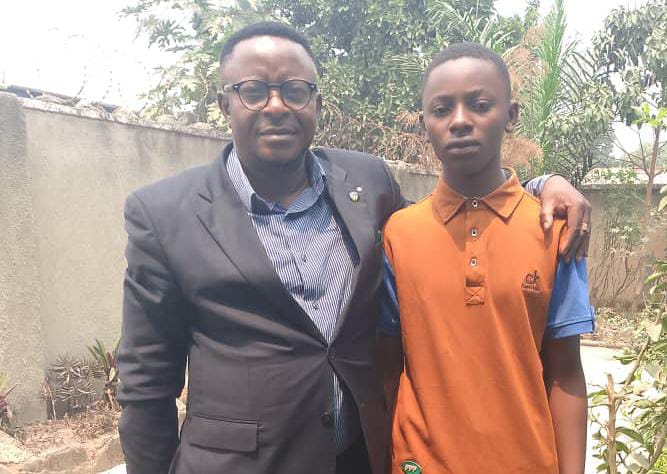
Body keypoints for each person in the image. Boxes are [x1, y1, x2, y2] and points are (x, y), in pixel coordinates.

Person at [117, 22, 592, 474]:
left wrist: (542, 187)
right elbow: (145, 384)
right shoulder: (164, 215)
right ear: (225, 103)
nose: (276, 106)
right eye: (254, 91)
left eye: (295, 90)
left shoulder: (367, 183)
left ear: (317, 103)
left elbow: (457, 214)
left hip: (358, 458)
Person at [378, 43, 594, 474]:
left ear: (511, 115)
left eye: (479, 105)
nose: (460, 121)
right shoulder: (399, 234)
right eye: (442, 109)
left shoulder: (554, 229)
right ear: (424, 124)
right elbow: (387, 368)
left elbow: (566, 373)